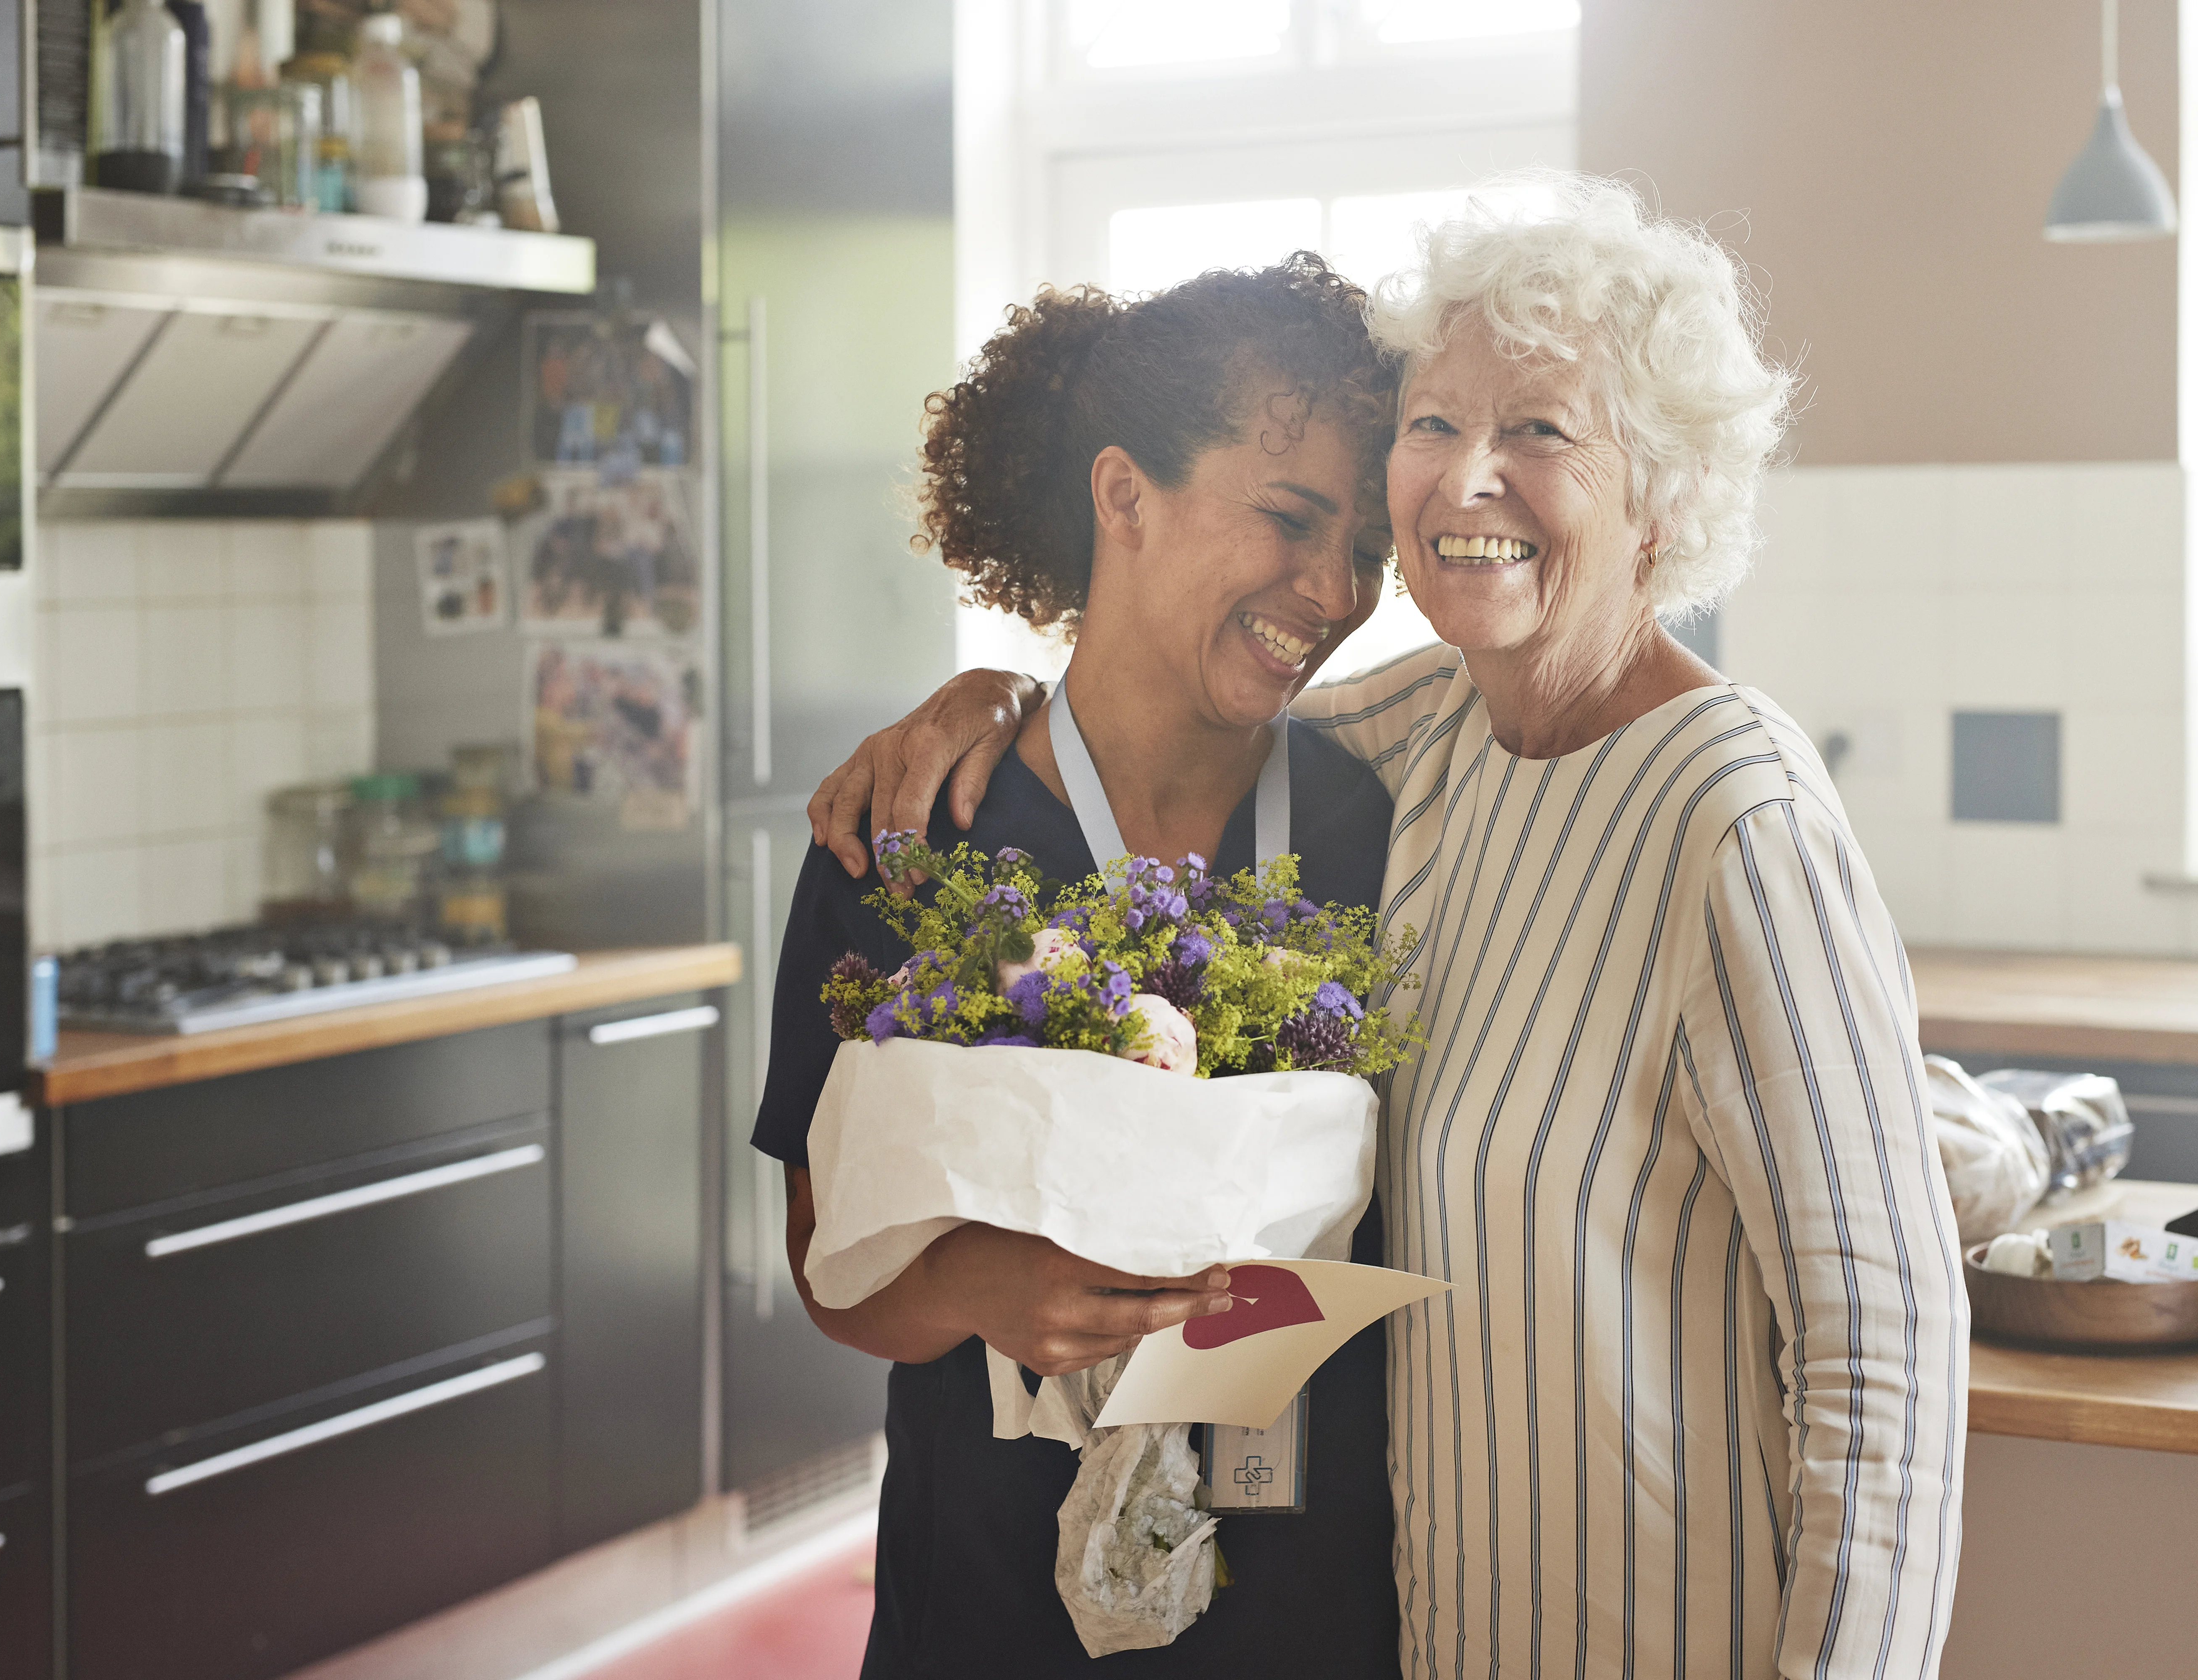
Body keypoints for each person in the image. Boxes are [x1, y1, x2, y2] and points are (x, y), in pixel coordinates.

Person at [808, 175, 1969, 1680]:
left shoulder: (1736, 813)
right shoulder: (1428, 736)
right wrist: (993, 698)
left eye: (1540, 431)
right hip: (1433, 1633)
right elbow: (1174, 698)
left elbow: (1884, 1358)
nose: (1463, 479)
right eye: (1435, 423)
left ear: (1664, 502)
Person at [753, 254, 1408, 1677]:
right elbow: (823, 1260)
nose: (1335, 589)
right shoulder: (909, 839)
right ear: (1125, 497)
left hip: (1311, 1619)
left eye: (1368, 550)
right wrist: (982, 1289)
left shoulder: (1381, 827)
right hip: (991, 1618)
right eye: (1291, 520)